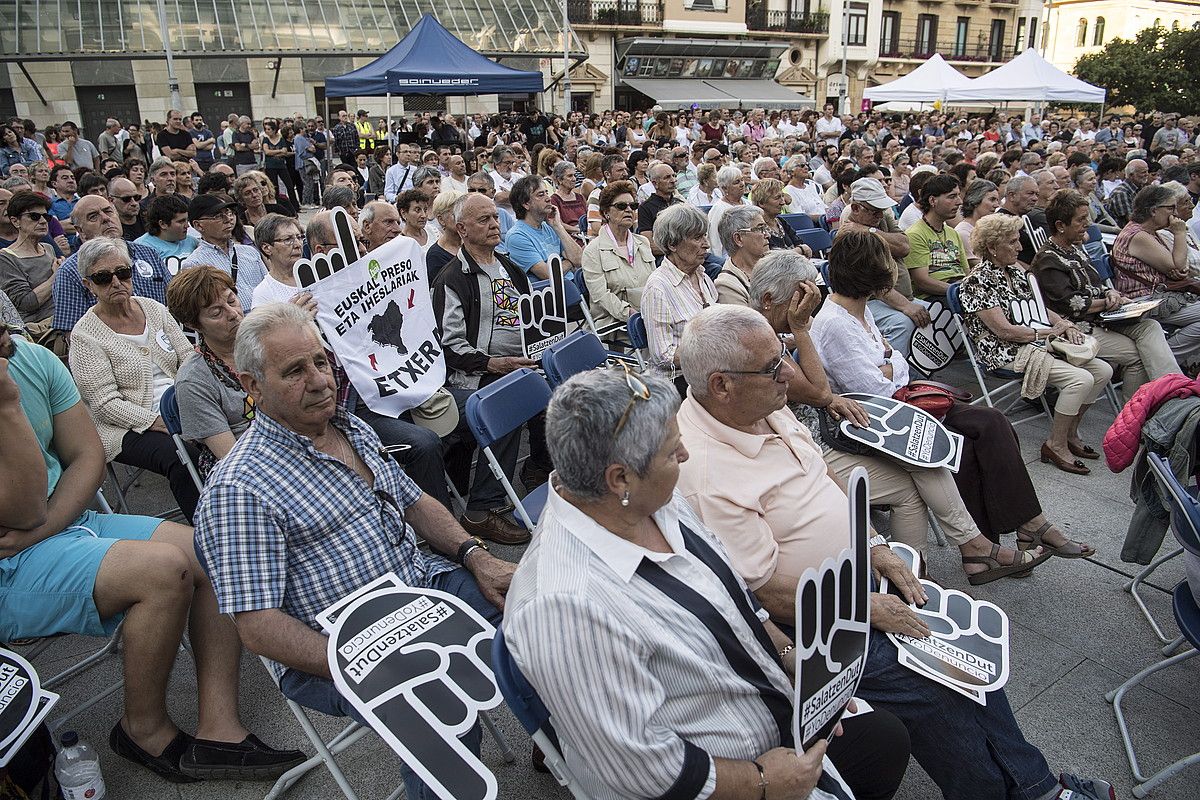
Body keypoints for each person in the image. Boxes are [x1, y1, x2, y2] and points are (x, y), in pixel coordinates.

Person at [672, 305, 1115, 800]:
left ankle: (1034, 787)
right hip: (812, 623)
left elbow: (824, 475)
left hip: (854, 582)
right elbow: (763, 592)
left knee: (969, 653)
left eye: (784, 356)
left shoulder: (758, 405)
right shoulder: (705, 473)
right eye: (773, 366)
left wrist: (875, 545)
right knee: (934, 684)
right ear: (721, 385)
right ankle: (1016, 791)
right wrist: (864, 607)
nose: (789, 374)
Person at [505, 365, 906, 800]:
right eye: (671, 451)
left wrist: (791, 660)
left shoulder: (647, 500)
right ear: (619, 478)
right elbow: (642, 768)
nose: (684, 456)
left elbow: (733, 598)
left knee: (884, 740)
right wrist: (764, 782)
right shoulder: (565, 606)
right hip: (727, 776)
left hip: (765, 714)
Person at [192, 302, 516, 800]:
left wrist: (477, 556)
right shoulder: (239, 489)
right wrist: (358, 663)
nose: (319, 380)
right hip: (338, 643)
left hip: (423, 587)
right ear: (252, 386)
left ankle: (566, 750)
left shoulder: (347, 426)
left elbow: (415, 502)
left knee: (537, 618)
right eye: (295, 371)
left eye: (320, 361)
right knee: (436, 704)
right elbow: (257, 626)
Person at [0, 321, 306, 782]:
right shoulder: (12, 381)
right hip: (9, 561)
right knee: (164, 571)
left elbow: (86, 455)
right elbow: (23, 512)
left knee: (209, 549)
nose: (6, 332)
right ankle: (142, 730)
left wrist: (52, 522)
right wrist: (7, 405)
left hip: (59, 522)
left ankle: (219, 728)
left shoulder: (31, 358)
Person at [431, 192, 547, 543]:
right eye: (484, 220)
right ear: (462, 229)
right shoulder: (451, 278)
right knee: (508, 404)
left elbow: (530, 319)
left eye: (495, 217)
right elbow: (449, 346)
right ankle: (482, 509)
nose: (495, 224)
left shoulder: (510, 267)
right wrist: (493, 364)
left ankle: (539, 469)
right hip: (474, 376)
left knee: (562, 391)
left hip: (519, 363)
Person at [960, 214, 1112, 476]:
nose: (1020, 247)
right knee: (1080, 380)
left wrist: (1064, 323)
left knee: (1103, 371)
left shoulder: (1015, 272)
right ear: (993, 247)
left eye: (1018, 240)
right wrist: (1048, 333)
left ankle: (1070, 433)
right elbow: (1004, 331)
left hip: (1035, 340)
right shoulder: (976, 281)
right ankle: (1055, 444)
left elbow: (1040, 308)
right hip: (1004, 350)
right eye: (1012, 242)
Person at [67, 238, 200, 520]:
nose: (116, 282)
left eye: (123, 273)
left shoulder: (153, 309)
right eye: (103, 278)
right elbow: (105, 404)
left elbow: (188, 357)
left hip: (180, 405)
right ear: (88, 285)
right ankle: (208, 527)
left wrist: (194, 401)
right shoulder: (84, 336)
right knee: (181, 455)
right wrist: (156, 421)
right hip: (125, 428)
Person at [1034, 190, 1177, 401]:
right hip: (1076, 326)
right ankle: (1138, 409)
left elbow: (1096, 283)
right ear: (1060, 225)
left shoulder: (1074, 249)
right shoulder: (1048, 259)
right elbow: (1072, 305)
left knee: (1150, 326)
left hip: (1101, 318)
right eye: (1081, 219)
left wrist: (1110, 292)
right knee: (1138, 356)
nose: (1087, 224)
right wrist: (1108, 303)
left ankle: (1175, 390)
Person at [1110, 183, 1200, 375]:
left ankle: (1164, 356)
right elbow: (1178, 265)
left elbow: (1177, 267)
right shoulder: (1138, 235)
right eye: (1171, 208)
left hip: (1158, 295)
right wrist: (1180, 232)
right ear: (1153, 211)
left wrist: (1174, 268)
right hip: (1143, 301)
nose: (1175, 214)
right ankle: (1161, 359)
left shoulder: (1149, 232)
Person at [52, 195, 174, 333]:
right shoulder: (69, 272)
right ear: (80, 231)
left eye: (108, 211)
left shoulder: (148, 254)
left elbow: (174, 303)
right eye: (93, 216)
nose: (105, 218)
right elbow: (73, 333)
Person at [641, 204, 717, 383]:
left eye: (705, 236)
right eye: (697, 238)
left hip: (708, 372)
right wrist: (713, 352)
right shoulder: (658, 288)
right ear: (672, 244)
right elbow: (663, 356)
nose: (706, 244)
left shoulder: (702, 276)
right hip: (678, 380)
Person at [581, 180, 656, 332]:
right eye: (621, 206)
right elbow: (601, 296)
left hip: (650, 314)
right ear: (606, 213)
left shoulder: (643, 242)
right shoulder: (592, 251)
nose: (629, 210)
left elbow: (655, 282)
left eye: (633, 206)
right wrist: (631, 314)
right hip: (615, 323)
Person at [180, 194, 268, 311]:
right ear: (198, 225)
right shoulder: (194, 265)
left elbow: (269, 286)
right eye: (218, 216)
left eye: (229, 213)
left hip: (267, 315)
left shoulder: (250, 252)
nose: (228, 219)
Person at [503, 174, 582, 279]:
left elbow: (579, 259)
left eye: (547, 193)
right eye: (541, 195)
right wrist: (570, 262)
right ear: (526, 204)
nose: (548, 198)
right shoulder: (517, 236)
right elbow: (548, 275)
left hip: (571, 282)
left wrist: (558, 226)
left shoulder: (550, 226)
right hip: (551, 288)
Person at [903, 174, 969, 298]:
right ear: (932, 200)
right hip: (936, 297)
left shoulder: (953, 233)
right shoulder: (915, 234)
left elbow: (966, 272)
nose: (959, 202)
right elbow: (922, 281)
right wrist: (960, 291)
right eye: (952, 196)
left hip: (960, 290)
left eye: (958, 195)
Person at [0, 190, 58, 329]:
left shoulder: (48, 248)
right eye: (34, 216)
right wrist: (56, 276)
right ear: (16, 221)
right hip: (40, 329)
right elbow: (27, 303)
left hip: (62, 318)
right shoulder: (6, 258)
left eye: (46, 217)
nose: (43, 221)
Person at [250, 214, 310, 308]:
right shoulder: (264, 294)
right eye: (288, 239)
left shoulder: (317, 275)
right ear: (267, 248)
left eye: (299, 237)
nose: (298, 245)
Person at [714, 205, 769, 307]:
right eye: (760, 229)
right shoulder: (727, 285)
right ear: (738, 239)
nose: (767, 235)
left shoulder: (771, 264)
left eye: (766, 228)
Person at [135, 194, 198, 261]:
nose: (187, 226)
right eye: (181, 221)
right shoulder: (142, 247)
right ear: (163, 224)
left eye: (187, 220)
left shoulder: (192, 242)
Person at [955, 179, 999, 265]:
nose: (997, 205)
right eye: (992, 199)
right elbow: (978, 265)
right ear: (975, 201)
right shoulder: (963, 233)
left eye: (997, 200)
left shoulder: (991, 229)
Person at [707, 166, 747, 259]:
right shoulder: (719, 209)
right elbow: (715, 242)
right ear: (725, 188)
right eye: (736, 182)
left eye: (742, 180)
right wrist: (720, 261)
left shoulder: (748, 203)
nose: (742, 184)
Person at [425, 190, 464, 284]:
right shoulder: (435, 256)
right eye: (456, 214)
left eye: (463, 212)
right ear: (441, 219)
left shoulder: (472, 243)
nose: (462, 218)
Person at [1105, 158, 1151, 229]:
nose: (1147, 174)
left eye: (1147, 171)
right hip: (1126, 230)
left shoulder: (1140, 188)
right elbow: (1131, 220)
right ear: (1131, 175)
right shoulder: (1121, 193)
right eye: (1143, 172)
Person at [548, 160, 586, 245]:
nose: (574, 179)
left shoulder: (580, 197)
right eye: (570, 176)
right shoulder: (554, 200)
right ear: (559, 180)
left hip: (585, 236)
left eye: (574, 175)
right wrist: (579, 230)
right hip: (568, 239)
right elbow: (558, 223)